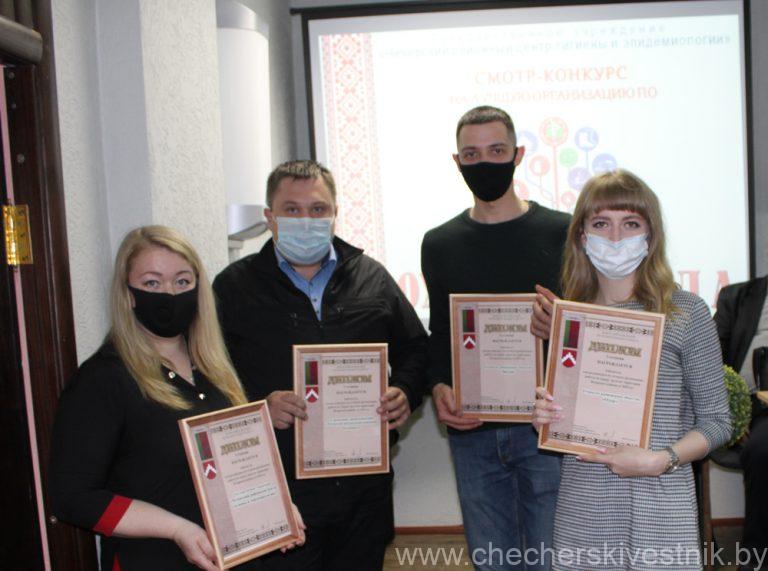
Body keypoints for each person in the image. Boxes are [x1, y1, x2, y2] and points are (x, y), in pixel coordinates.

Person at [213, 160, 428, 571]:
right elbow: (209, 374)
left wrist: (405, 390)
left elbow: (416, 348)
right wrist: (259, 406)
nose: (306, 220)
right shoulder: (233, 287)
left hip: (362, 487)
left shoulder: (372, 277)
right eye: (292, 210)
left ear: (334, 213)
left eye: (317, 209)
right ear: (269, 218)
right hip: (279, 485)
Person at [50, 225, 305, 570]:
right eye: (152, 283)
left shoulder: (215, 369)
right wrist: (176, 530)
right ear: (127, 293)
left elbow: (234, 465)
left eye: (182, 281)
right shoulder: (103, 379)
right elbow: (72, 498)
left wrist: (274, 507)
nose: (169, 293)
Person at [531, 169, 732, 570]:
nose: (615, 238)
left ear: (650, 236)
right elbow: (566, 423)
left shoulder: (686, 312)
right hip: (585, 506)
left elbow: (717, 421)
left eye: (631, 224)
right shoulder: (569, 320)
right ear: (582, 236)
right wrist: (545, 419)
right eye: (601, 224)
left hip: (662, 500)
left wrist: (661, 460)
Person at [421, 105, 570, 570]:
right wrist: (438, 385)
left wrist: (561, 327)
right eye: (471, 154)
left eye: (496, 151)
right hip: (473, 434)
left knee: (553, 560)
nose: (483, 162)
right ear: (457, 161)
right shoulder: (439, 243)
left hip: (546, 431)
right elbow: (440, 334)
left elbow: (587, 328)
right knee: (493, 562)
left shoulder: (563, 232)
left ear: (518, 155)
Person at [715, 277, 768, 570]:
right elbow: (708, 362)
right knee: (762, 449)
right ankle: (756, 560)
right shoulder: (737, 297)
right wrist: (735, 412)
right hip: (758, 408)